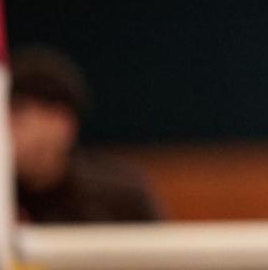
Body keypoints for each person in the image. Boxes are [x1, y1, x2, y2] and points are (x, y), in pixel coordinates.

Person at [10, 46, 160, 223]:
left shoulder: (118, 197)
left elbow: (160, 249)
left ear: (61, 122)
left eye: (18, 112)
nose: (6, 127)